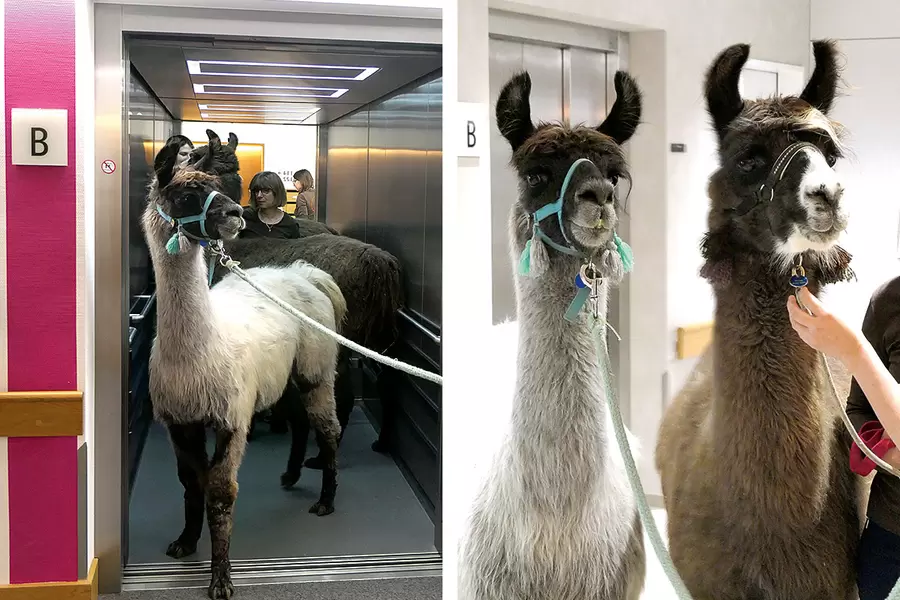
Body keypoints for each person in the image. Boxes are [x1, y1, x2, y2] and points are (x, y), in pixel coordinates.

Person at [787, 280, 900, 600]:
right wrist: (888, 453)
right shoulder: (889, 302)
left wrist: (853, 350)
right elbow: (858, 412)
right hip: (890, 528)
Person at [240, 171, 303, 239]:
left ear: (277, 192)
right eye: (256, 191)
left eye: (266, 191)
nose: (259, 195)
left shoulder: (290, 224)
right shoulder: (246, 217)